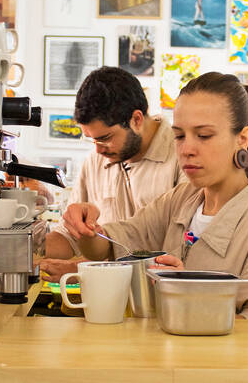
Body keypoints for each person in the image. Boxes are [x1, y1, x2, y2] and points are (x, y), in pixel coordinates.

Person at [63, 72, 248, 319]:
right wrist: (86, 228)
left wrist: (186, 293)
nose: (186, 150)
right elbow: (113, 244)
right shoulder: (181, 199)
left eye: (204, 135)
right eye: (180, 136)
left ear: (242, 138)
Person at [38, 67, 184, 280]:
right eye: (91, 139)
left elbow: (182, 250)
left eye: (105, 138)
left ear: (136, 119)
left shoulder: (183, 158)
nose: (97, 149)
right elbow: (69, 237)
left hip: (160, 296)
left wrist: (82, 269)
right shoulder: (96, 161)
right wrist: (25, 246)